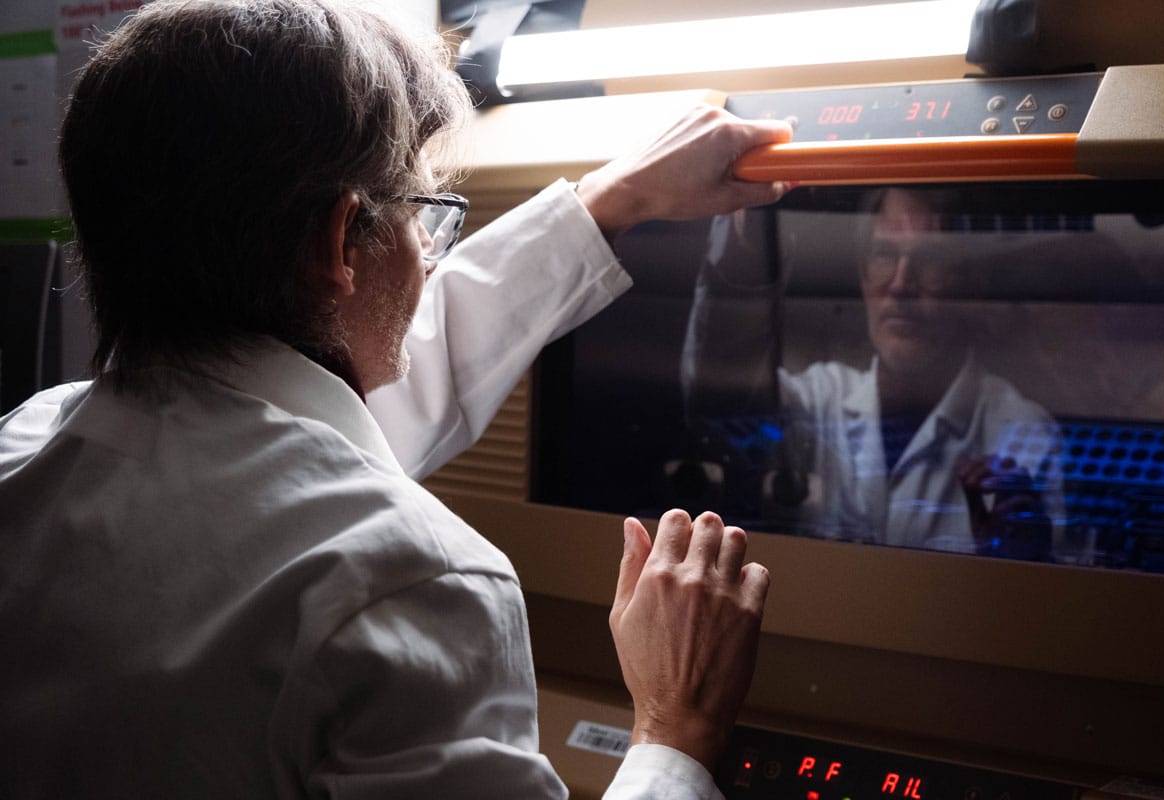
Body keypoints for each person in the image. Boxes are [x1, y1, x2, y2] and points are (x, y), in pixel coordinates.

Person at [0, 0, 791, 796]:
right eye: (426, 218)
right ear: (344, 240)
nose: (427, 262)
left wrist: (609, 202)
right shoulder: (418, 582)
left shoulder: (26, 450)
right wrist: (673, 732)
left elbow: (305, 449)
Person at [682, 187, 1061, 556]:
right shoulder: (818, 400)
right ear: (864, 280)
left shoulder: (1023, 434)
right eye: (884, 255)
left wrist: (1021, 552)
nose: (900, 285)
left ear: (972, 281)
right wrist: (745, 229)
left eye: (930, 260)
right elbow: (718, 395)